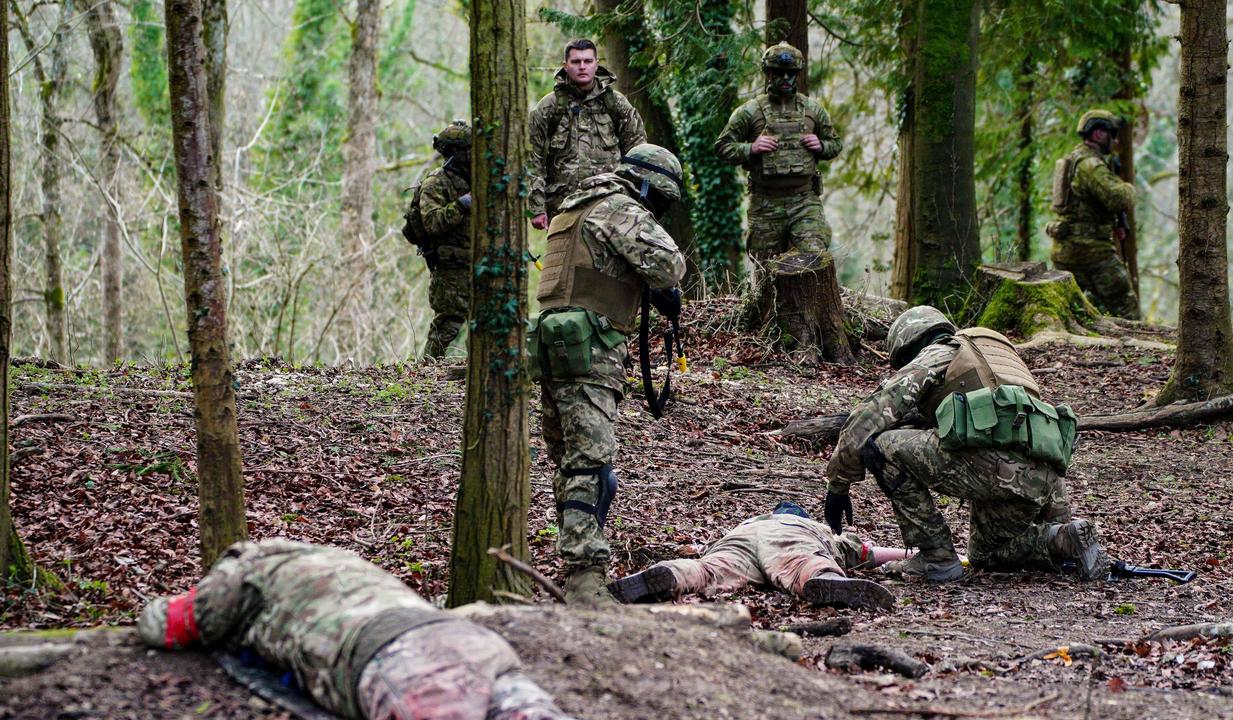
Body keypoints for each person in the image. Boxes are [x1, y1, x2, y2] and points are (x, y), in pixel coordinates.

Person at [823, 306, 1111, 583]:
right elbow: (1038, 440)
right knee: (986, 555)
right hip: (1040, 479)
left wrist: (838, 484)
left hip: (993, 470)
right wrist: (1059, 521)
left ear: (909, 345)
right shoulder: (997, 362)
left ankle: (936, 557)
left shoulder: (938, 353)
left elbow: (869, 415)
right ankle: (1063, 538)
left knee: (881, 446)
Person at [136, 539, 572, 720]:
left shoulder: (244, 571)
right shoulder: (338, 559)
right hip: (464, 638)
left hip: (394, 659)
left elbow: (165, 625)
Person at [528, 143, 687, 605]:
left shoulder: (572, 207)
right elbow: (669, 264)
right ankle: (584, 578)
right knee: (592, 466)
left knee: (571, 462)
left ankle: (574, 567)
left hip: (555, 348)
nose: (656, 209)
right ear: (643, 185)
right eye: (658, 200)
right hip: (591, 351)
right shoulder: (619, 208)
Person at [713, 42, 841, 324]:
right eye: (778, 73)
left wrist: (821, 145)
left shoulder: (813, 111)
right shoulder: (750, 112)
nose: (785, 80)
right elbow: (722, 147)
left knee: (814, 257)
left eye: (790, 74)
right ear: (767, 74)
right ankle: (770, 328)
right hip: (765, 203)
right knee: (766, 271)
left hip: (804, 200)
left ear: (798, 75)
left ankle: (816, 322)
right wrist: (751, 148)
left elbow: (835, 145)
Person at [608, 501, 895, 610]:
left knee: (708, 569)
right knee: (804, 561)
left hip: (738, 543)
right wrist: (916, 552)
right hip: (790, 537)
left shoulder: (749, 523)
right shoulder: (804, 525)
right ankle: (827, 580)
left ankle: (669, 574)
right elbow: (868, 553)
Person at [528, 38, 647, 228]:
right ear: (565, 65)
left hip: (611, 206)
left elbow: (638, 153)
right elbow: (532, 159)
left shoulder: (616, 104)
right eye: (576, 62)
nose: (582, 67)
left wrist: (636, 200)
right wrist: (536, 208)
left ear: (596, 64)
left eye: (588, 61)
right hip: (563, 207)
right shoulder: (549, 107)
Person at [1046, 109, 1140, 320]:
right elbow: (1118, 198)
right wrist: (1129, 188)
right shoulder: (1090, 165)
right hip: (1090, 251)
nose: (1115, 141)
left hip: (1066, 248)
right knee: (1125, 306)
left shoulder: (1074, 159)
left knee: (1078, 312)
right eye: (1111, 134)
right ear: (1098, 134)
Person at [403, 119, 472, 358]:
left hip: (477, 261)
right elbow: (432, 223)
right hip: (450, 268)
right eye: (468, 151)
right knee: (448, 324)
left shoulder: (476, 180)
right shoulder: (436, 183)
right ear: (455, 153)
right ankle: (427, 372)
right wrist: (462, 205)